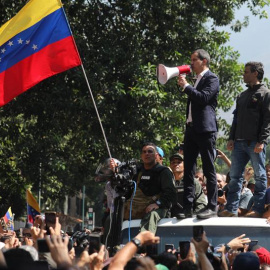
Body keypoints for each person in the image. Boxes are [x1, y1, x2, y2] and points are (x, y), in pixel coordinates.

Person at [219, 62, 270, 218]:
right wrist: (231, 138)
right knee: (234, 176)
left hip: (255, 142)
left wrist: (262, 141)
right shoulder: (241, 95)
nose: (243, 75)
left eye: (246, 72)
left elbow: (267, 120)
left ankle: (258, 209)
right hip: (239, 142)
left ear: (255, 73)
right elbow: (236, 119)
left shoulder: (265, 93)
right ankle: (232, 209)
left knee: (260, 177)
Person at [177, 49, 219, 219]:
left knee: (209, 168)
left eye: (194, 60)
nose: (191, 63)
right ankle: (187, 207)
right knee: (188, 169)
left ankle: (212, 206)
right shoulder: (196, 79)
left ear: (204, 61)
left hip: (205, 130)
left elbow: (203, 98)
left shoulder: (212, 78)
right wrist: (187, 85)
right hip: (192, 129)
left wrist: (186, 86)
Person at [123, 142, 177, 234]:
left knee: (152, 216)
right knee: (113, 216)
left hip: (158, 207)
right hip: (137, 206)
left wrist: (157, 204)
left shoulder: (164, 171)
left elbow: (170, 193)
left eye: (150, 151)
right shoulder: (138, 171)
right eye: (144, 152)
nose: (146, 154)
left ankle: (144, 242)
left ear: (156, 155)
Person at [169, 153, 207, 218]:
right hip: (169, 221)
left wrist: (194, 217)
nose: (175, 164)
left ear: (185, 165)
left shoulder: (192, 182)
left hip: (189, 220)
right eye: (173, 162)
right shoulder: (167, 181)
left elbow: (201, 202)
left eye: (179, 162)